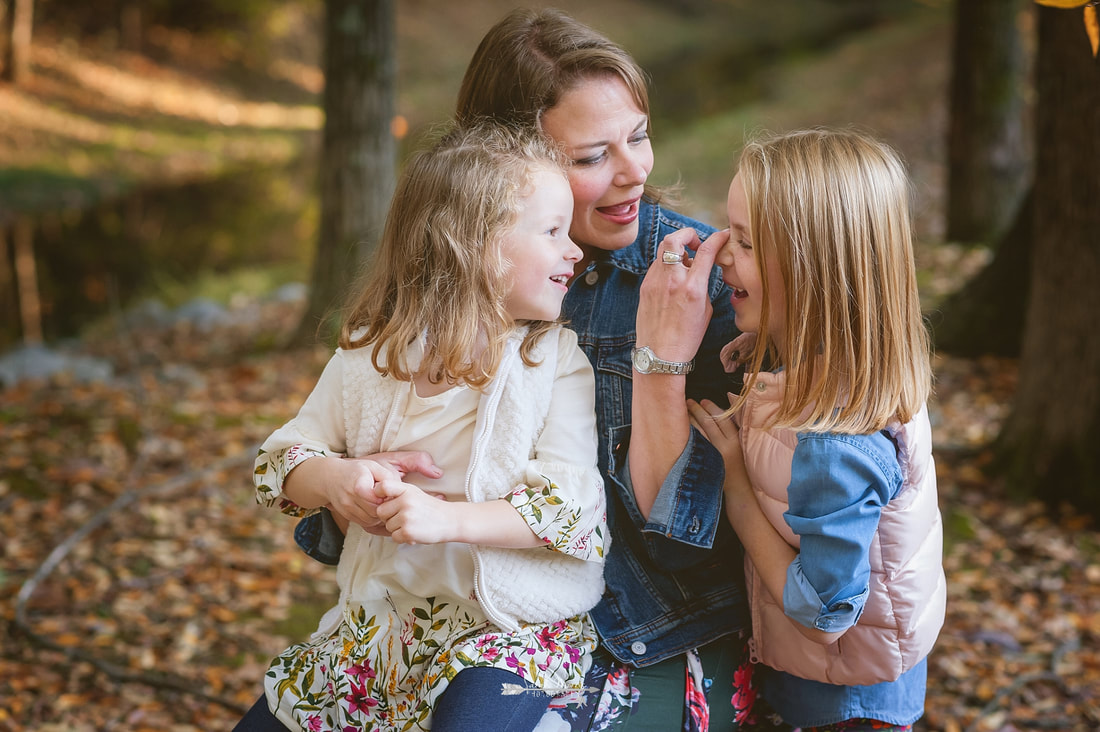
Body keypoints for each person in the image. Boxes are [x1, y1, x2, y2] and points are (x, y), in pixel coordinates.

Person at [293, 9, 776, 731]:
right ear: (502, 169)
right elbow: (334, 511)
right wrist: (356, 488)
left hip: (651, 631)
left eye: (637, 136)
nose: (634, 171)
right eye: (591, 157)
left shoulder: (698, 282)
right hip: (470, 623)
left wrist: (660, 363)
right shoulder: (455, 286)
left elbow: (682, 543)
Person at [235, 121, 609, 732]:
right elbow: (279, 464)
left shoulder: (551, 364)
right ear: (474, 243)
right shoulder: (369, 356)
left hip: (506, 638)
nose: (575, 250)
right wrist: (336, 479)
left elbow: (572, 507)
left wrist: (445, 520)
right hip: (379, 635)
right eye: (552, 231)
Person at [687, 128, 947, 731]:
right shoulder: (852, 364)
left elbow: (823, 610)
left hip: (841, 709)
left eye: (746, 242)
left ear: (814, 272)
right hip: (842, 680)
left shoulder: (835, 444)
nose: (722, 252)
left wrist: (735, 489)